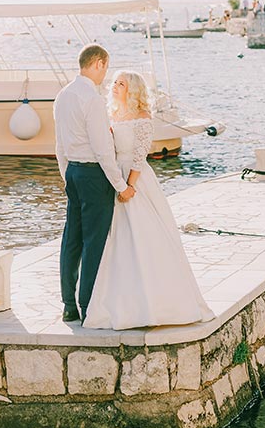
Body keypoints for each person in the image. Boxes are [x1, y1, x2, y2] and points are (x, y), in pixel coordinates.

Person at [83, 71, 215, 330]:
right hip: (114, 178)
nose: (114, 87)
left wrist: (129, 186)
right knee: (117, 239)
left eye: (121, 84)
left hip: (135, 180)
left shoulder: (142, 118)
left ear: (132, 90)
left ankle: (158, 303)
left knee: (143, 235)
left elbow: (140, 155)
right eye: (115, 83)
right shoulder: (113, 116)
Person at [54, 44, 133, 323]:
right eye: (106, 68)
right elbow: (102, 149)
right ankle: (88, 306)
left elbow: (59, 145)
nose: (105, 75)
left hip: (73, 172)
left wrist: (67, 177)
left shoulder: (62, 96)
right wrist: (121, 185)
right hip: (93, 174)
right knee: (93, 241)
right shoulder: (92, 98)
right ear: (98, 63)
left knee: (71, 240)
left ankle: (68, 305)